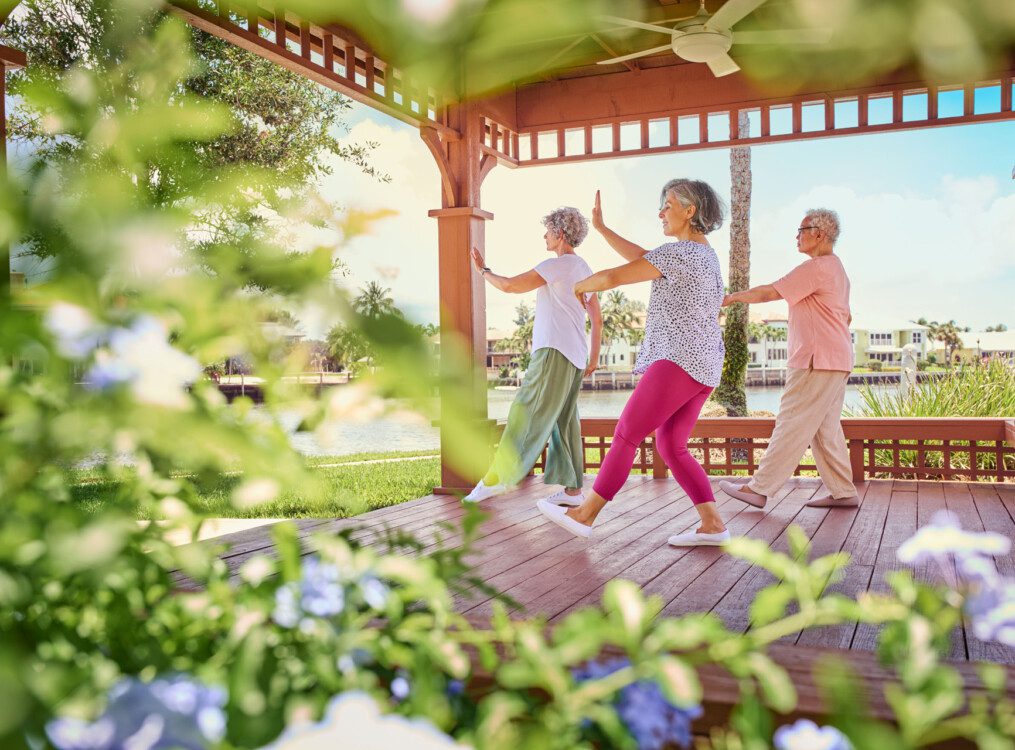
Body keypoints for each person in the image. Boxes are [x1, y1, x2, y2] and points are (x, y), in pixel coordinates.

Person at [536, 180, 730, 547]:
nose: (661, 212)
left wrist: (579, 287)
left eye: (668, 205)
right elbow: (643, 256)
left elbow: (611, 277)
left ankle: (585, 513)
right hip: (704, 366)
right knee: (671, 446)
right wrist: (604, 229)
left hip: (677, 359)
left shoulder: (680, 255)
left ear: (690, 212)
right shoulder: (703, 255)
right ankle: (713, 524)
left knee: (626, 433)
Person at [718, 209, 859, 509]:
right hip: (836, 359)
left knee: (791, 421)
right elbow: (847, 316)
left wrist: (731, 298)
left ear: (819, 234)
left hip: (815, 360)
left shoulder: (817, 268)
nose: (796, 235)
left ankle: (759, 488)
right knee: (825, 429)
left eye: (801, 229)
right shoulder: (837, 269)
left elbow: (771, 292)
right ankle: (843, 491)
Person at [464, 207, 602, 504]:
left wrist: (483, 271)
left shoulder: (558, 266)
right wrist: (593, 358)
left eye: (548, 231)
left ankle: (498, 478)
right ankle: (574, 492)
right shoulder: (583, 268)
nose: (545, 235)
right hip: (574, 356)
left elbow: (511, 286)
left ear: (560, 234)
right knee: (565, 420)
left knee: (523, 410)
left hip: (554, 351)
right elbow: (597, 318)